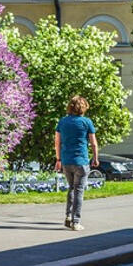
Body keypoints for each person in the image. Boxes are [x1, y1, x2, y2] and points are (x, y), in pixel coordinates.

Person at [54, 95, 99, 231]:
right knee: (79, 190)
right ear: (83, 108)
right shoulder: (86, 122)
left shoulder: (62, 122)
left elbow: (57, 142)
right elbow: (93, 143)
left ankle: (68, 216)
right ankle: (76, 221)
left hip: (67, 160)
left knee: (71, 188)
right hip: (81, 160)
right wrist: (95, 157)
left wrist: (58, 160)